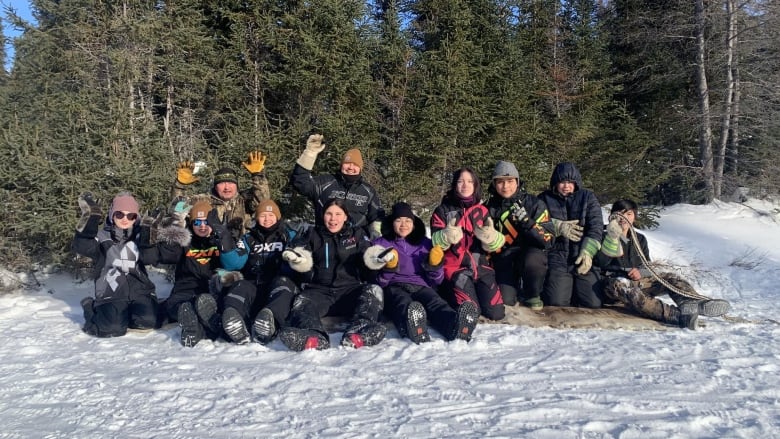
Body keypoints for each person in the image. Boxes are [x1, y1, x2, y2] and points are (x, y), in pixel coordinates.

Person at [594, 199, 731, 329]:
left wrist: (640, 273)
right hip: (613, 285)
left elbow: (647, 266)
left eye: (628, 214)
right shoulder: (602, 235)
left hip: (636, 281)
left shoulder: (640, 239)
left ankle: (692, 303)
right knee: (623, 285)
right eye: (620, 213)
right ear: (612, 216)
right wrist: (613, 238)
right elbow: (600, 262)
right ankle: (675, 315)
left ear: (634, 217)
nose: (623, 218)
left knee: (671, 277)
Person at [276, 199, 386, 351]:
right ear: (323, 215)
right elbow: (301, 252)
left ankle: (360, 331)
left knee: (374, 290)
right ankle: (314, 336)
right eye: (329, 214)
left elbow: (367, 256)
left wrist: (375, 258)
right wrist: (300, 259)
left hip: (349, 291)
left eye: (338, 214)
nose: (333, 219)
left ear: (345, 216)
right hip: (320, 292)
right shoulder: (312, 234)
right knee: (301, 300)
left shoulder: (357, 234)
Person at [74, 192, 188, 338]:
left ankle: (151, 307)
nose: (125, 219)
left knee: (147, 321)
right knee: (111, 329)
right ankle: (90, 308)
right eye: (119, 214)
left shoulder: (142, 235)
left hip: (140, 291)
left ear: (136, 218)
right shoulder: (101, 236)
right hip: (111, 293)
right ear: (112, 215)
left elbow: (166, 256)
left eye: (131, 216)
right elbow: (82, 246)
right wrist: (90, 220)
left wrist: (171, 225)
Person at [367, 202, 479, 344]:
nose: (403, 224)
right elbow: (375, 281)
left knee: (436, 303)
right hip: (393, 286)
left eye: (408, 220)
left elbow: (436, 281)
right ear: (391, 222)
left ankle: (455, 326)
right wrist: (389, 269)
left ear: (414, 224)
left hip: (420, 285)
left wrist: (435, 266)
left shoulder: (425, 243)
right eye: (398, 220)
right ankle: (412, 328)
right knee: (403, 303)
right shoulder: (380, 244)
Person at [219, 199, 304, 345]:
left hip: (279, 284)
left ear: (277, 217)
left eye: (271, 215)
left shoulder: (288, 235)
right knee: (240, 286)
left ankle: (269, 323)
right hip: (254, 283)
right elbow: (234, 263)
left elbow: (301, 261)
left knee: (283, 286)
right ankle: (234, 321)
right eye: (263, 215)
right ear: (257, 218)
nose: (267, 219)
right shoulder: (249, 238)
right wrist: (225, 241)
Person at [163, 200, 245, 347]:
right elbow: (167, 256)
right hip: (186, 288)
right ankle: (192, 324)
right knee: (180, 305)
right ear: (190, 223)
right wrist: (175, 231)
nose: (202, 226)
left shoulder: (221, 239)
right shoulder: (185, 241)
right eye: (197, 223)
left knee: (208, 303)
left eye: (206, 222)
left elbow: (233, 261)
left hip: (212, 289)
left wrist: (221, 236)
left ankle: (201, 327)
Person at [430, 168, 506, 321]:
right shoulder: (442, 210)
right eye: (460, 181)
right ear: (454, 185)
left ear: (475, 185)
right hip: (455, 269)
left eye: (470, 181)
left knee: (496, 313)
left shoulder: (483, 211)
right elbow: (434, 242)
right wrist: (446, 236)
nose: (465, 185)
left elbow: (495, 245)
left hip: (481, 268)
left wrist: (491, 238)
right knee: (472, 312)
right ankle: (446, 292)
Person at [485, 161, 554, 311]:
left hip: (529, 256)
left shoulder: (535, 204)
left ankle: (532, 294)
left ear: (517, 181)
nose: (505, 186)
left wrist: (528, 223)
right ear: (494, 184)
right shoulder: (488, 207)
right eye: (500, 182)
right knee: (505, 300)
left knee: (533, 260)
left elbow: (548, 239)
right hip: (503, 259)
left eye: (510, 181)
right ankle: (513, 289)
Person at [290, 134, 384, 236]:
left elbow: (377, 217)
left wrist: (376, 236)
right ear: (341, 165)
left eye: (355, 165)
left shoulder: (368, 191)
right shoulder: (325, 183)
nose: (351, 167)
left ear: (360, 168)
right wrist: (310, 154)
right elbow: (300, 182)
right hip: (324, 240)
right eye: (347, 163)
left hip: (355, 244)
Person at [538, 162, 603, 308]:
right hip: (556, 256)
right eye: (562, 182)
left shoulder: (588, 197)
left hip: (581, 256)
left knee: (593, 303)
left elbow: (596, 226)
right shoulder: (544, 199)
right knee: (557, 302)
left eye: (570, 182)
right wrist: (556, 227)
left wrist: (588, 251)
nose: (566, 186)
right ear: (555, 182)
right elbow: (535, 224)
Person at [172, 150, 271, 236]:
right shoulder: (201, 200)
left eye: (230, 183)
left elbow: (263, 202)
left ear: (236, 185)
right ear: (215, 186)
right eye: (222, 183)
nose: (227, 187)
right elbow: (178, 209)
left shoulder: (245, 199)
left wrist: (258, 176)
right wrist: (180, 186)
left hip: (242, 250)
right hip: (210, 251)